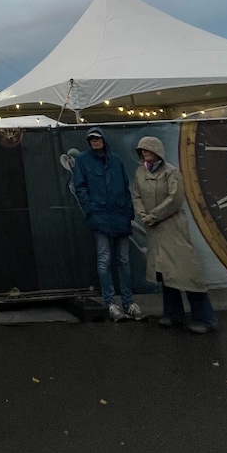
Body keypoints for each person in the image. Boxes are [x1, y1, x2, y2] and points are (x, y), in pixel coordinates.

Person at [132, 136, 217, 333]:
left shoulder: (172, 172)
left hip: (173, 227)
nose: (144, 151)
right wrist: (143, 213)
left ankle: (206, 319)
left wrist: (153, 215)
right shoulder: (140, 172)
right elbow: (136, 195)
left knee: (187, 273)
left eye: (147, 148)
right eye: (141, 149)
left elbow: (175, 199)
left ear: (158, 151)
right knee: (165, 273)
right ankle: (172, 314)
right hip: (154, 230)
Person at [72, 128, 144, 322]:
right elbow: (79, 187)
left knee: (123, 261)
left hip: (120, 215)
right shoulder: (83, 160)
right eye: (91, 140)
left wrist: (129, 210)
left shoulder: (117, 161)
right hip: (101, 216)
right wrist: (91, 209)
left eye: (97, 138)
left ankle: (129, 303)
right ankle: (111, 303)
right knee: (104, 260)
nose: (95, 142)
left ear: (104, 139)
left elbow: (125, 186)